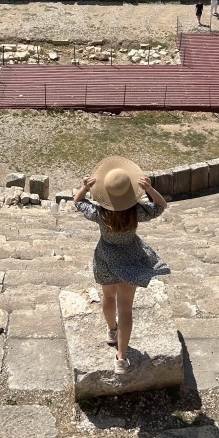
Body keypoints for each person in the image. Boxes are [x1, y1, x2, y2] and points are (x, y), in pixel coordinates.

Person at [73, 156, 169, 375]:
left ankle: (111, 331)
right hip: (130, 259)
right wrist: (150, 190)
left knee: (108, 297)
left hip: (105, 258)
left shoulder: (100, 214)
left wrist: (85, 187)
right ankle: (121, 358)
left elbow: (78, 202)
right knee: (125, 308)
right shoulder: (137, 212)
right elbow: (161, 205)